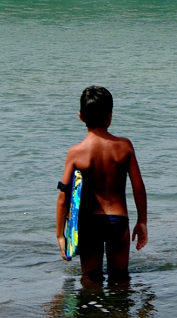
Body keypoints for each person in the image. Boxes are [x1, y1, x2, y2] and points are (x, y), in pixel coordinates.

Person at [56, 86, 148, 282]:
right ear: (110, 116)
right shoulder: (124, 147)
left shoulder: (76, 153)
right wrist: (142, 221)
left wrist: (60, 235)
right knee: (120, 279)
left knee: (90, 278)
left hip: (89, 223)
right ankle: (120, 311)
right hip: (118, 222)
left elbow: (63, 197)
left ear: (81, 116)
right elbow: (138, 188)